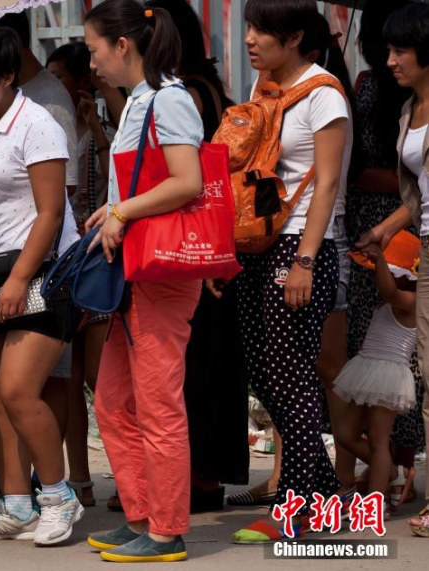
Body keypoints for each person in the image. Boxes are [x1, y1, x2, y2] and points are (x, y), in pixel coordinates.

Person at [0, 25, 83, 546]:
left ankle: (58, 496)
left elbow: (51, 213)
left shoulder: (39, 125)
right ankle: (16, 503)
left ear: (7, 76)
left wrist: (21, 278)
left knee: (19, 390)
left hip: (44, 269)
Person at [82, 1, 205, 562]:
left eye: (93, 49)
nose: (92, 62)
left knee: (158, 406)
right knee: (111, 402)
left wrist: (122, 211)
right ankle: (141, 516)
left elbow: (187, 182)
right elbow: (145, 180)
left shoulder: (171, 99)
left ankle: (166, 530)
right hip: (133, 270)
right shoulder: (137, 102)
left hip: (159, 272)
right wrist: (112, 210)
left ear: (123, 46)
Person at [228, 0, 351, 544]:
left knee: (291, 372)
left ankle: (301, 507)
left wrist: (303, 260)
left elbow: (326, 184)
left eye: (261, 31)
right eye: (249, 28)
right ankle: (324, 498)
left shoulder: (323, 94)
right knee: (265, 369)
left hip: (303, 245)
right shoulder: (266, 90)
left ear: (296, 35)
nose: (250, 39)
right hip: (259, 242)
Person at [145, 0, 246, 514]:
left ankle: (200, 478)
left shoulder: (185, 95)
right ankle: (199, 476)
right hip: (203, 249)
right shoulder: (199, 90)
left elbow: (196, 179)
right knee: (203, 364)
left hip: (197, 249)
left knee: (199, 366)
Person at [355, 1, 429, 538]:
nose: (391, 60)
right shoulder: (409, 110)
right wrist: (386, 229)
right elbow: (417, 194)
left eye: (401, 49)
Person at [44, 40, 118, 510]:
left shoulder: (103, 127)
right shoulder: (51, 129)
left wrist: (94, 128)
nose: (56, 89)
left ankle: (125, 474)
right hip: (68, 258)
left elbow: (117, 182)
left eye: (61, 79)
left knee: (99, 376)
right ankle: (81, 479)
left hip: (99, 258)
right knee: (69, 376)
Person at [332, 235, 418, 518]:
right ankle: (388, 470)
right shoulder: (395, 298)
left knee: (380, 440)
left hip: (389, 374)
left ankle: (376, 502)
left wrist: (380, 259)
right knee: (345, 434)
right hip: (368, 367)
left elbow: (390, 293)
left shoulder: (412, 300)